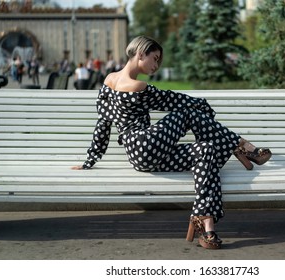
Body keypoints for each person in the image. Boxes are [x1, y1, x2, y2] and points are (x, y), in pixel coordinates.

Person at [71, 36, 272, 249]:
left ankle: (206, 225)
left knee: (206, 150)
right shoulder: (137, 86)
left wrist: (90, 160)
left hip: (145, 157)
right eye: (155, 58)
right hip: (144, 144)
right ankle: (243, 146)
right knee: (187, 113)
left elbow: (103, 123)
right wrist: (203, 107)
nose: (156, 65)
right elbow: (171, 99)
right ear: (140, 53)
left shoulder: (109, 81)